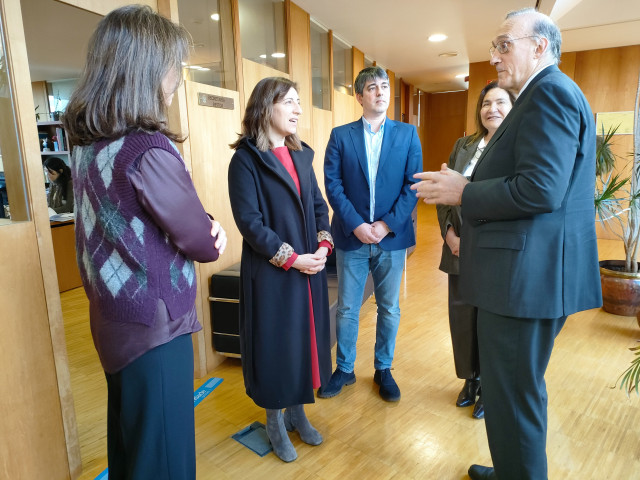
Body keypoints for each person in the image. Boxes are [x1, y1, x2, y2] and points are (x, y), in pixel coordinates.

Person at [412, 8, 601, 480]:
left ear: (540, 46)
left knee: (514, 396)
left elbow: (540, 189)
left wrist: (464, 191)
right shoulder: (542, 95)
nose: (494, 56)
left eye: (503, 44)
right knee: (508, 389)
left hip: (524, 282)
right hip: (524, 276)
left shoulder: (549, 94)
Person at [62, 6, 226, 479]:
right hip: (154, 327)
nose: (178, 78)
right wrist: (211, 227)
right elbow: (201, 242)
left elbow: (132, 218)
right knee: (166, 461)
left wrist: (200, 220)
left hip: (113, 320)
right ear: (149, 68)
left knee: (133, 448)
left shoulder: (90, 147)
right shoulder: (147, 148)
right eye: (175, 65)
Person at [228, 77, 333, 463]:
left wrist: (323, 246)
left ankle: (297, 412)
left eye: (299, 102)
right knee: (276, 346)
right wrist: (292, 258)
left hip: (310, 270)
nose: (298, 110)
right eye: (289, 102)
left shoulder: (302, 153)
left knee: (304, 342)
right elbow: (250, 223)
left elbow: (320, 206)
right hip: (273, 274)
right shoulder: (245, 160)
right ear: (266, 106)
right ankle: (274, 420)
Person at [320, 66, 422, 402]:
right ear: (359, 95)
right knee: (348, 308)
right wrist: (358, 225)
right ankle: (345, 369)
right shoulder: (341, 135)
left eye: (384, 87)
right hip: (353, 237)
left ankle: (383, 368)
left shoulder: (408, 134)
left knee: (389, 308)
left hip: (392, 238)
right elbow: (333, 186)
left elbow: (413, 184)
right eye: (372, 87)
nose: (380, 92)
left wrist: (387, 224)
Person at [436, 81, 515, 420]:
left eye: (500, 102)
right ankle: (470, 379)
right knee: (462, 317)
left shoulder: (515, 146)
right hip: (458, 249)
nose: (491, 109)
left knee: (491, 323)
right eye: (485, 103)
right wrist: (450, 236)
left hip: (494, 254)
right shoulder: (463, 145)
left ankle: (489, 387)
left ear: (513, 107)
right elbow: (444, 192)